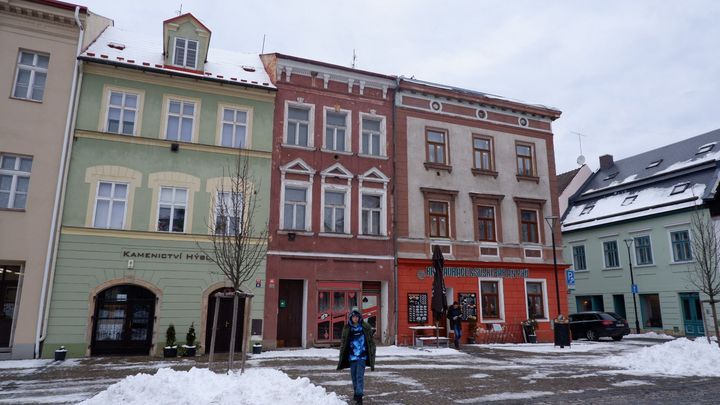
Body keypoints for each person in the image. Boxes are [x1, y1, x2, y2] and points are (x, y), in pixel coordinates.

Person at [337, 307, 376, 404]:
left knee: (359, 377)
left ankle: (359, 397)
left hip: (361, 357)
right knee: (354, 377)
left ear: (359, 317)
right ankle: (356, 393)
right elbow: (343, 342)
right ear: (351, 317)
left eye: (357, 316)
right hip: (352, 357)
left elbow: (371, 340)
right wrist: (341, 354)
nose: (355, 318)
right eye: (353, 317)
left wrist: (372, 351)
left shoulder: (365, 327)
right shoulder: (347, 328)